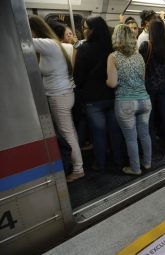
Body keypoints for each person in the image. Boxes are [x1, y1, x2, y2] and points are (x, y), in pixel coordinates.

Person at [29, 15, 85, 182]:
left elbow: (22, 40)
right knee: (71, 133)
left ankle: (78, 168)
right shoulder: (59, 46)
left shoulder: (49, 45)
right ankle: (78, 165)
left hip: (58, 96)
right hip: (66, 93)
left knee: (67, 135)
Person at [73, 16, 124, 171]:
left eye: (86, 28)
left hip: (92, 99)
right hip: (112, 95)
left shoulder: (83, 49)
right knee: (115, 131)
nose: (84, 31)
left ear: (93, 30)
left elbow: (78, 78)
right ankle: (118, 160)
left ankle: (100, 164)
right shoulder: (113, 48)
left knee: (98, 133)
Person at [107, 24, 152, 175]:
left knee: (131, 138)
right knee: (145, 134)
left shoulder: (113, 57)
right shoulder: (139, 56)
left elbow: (112, 83)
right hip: (144, 100)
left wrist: (111, 81)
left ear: (116, 37)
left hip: (125, 103)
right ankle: (147, 163)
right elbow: (142, 79)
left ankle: (135, 168)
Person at [139, 20, 165, 149]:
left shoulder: (145, 46)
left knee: (150, 114)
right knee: (164, 112)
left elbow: (140, 66)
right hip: (164, 85)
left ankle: (151, 141)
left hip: (149, 86)